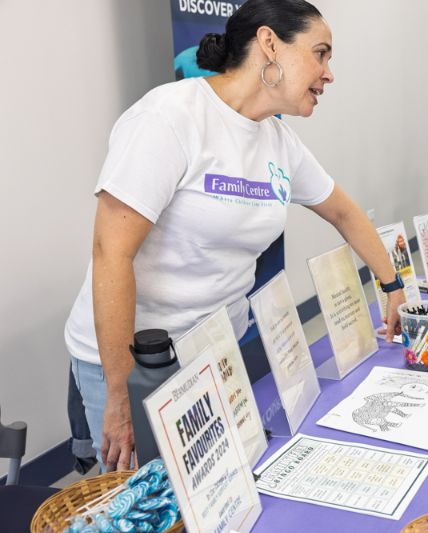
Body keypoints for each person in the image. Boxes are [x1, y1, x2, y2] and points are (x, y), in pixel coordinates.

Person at [64, 0, 406, 472]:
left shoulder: (278, 140)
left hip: (212, 352)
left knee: (216, 494)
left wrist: (393, 287)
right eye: (320, 54)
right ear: (269, 44)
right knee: (146, 505)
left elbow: (344, 213)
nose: (329, 74)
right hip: (135, 365)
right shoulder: (170, 117)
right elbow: (110, 255)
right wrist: (121, 395)